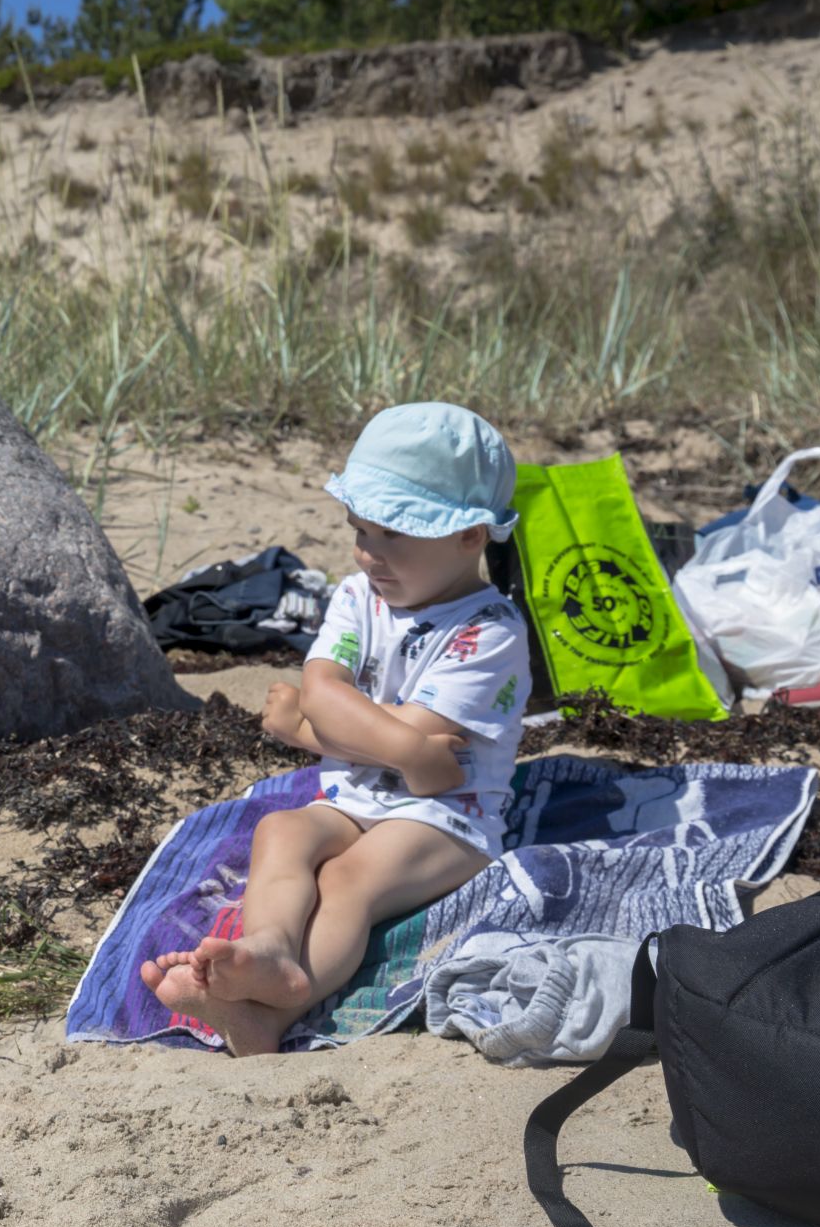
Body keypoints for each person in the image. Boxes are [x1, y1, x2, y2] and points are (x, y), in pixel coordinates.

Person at [141, 403, 531, 1056]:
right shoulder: (357, 595)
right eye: (361, 529)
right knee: (283, 829)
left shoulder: (489, 631)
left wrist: (315, 725)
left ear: (469, 536)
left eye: (392, 535)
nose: (367, 552)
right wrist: (399, 746)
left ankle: (292, 992)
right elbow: (332, 695)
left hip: (446, 817)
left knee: (349, 880)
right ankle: (267, 951)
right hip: (357, 795)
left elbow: (394, 733)